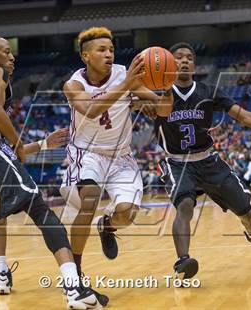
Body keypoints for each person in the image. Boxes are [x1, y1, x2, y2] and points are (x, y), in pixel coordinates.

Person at [0, 35, 106, 309]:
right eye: (6, 52)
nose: (12, 57)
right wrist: (18, 141)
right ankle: (73, 287)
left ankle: (1, 273)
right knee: (41, 209)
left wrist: (40, 144)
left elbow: (2, 148)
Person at [153, 42, 251, 280]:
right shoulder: (160, 96)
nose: (184, 61)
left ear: (195, 65)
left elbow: (245, 116)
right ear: (168, 62)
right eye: (178, 57)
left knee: (247, 213)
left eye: (189, 57)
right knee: (184, 206)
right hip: (177, 162)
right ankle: (183, 261)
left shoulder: (209, 91)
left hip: (208, 160)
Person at [60, 27, 173, 276]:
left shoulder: (123, 74)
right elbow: (90, 110)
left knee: (127, 214)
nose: (109, 54)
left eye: (111, 49)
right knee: (90, 198)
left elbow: (158, 106)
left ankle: (107, 226)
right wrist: (126, 87)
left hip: (121, 157)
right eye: (102, 50)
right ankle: (74, 272)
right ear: (85, 56)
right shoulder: (73, 84)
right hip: (87, 154)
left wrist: (167, 89)